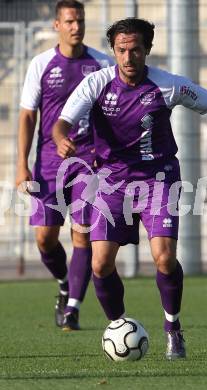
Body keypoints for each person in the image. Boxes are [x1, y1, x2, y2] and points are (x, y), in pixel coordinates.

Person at [52, 18, 207, 358]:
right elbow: (62, 123)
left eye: (136, 50)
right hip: (110, 182)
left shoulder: (168, 85)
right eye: (122, 50)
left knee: (165, 258)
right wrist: (61, 138)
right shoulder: (96, 84)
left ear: (147, 51)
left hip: (158, 180)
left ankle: (173, 328)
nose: (128, 57)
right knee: (100, 264)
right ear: (114, 51)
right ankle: (119, 326)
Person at [15, 0, 114, 331]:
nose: (77, 26)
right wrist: (21, 164)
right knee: (45, 238)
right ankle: (63, 283)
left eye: (81, 20)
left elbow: (112, 112)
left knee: (82, 235)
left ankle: (72, 307)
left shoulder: (101, 63)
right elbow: (28, 115)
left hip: (89, 162)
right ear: (57, 25)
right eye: (70, 21)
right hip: (48, 162)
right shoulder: (41, 64)